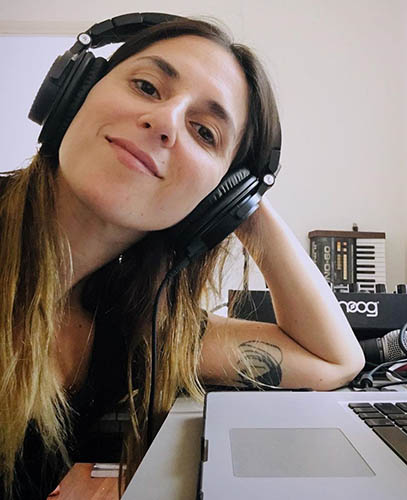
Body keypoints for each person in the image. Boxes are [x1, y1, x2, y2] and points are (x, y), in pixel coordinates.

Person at [0, 14, 365, 500]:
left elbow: (332, 360)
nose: (165, 121)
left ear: (217, 201)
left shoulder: (139, 323)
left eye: (205, 133)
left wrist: (247, 205)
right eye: (147, 86)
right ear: (75, 90)